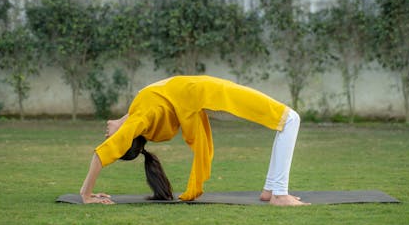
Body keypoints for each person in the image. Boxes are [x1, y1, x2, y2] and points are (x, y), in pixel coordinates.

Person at [80, 75, 309, 206]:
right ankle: (279, 194)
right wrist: (86, 195)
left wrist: (121, 122)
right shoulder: (140, 119)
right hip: (210, 96)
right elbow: (102, 153)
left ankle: (271, 190)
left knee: (287, 120)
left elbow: (144, 108)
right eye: (111, 136)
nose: (106, 131)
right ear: (126, 137)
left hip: (205, 94)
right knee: (290, 119)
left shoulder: (137, 112)